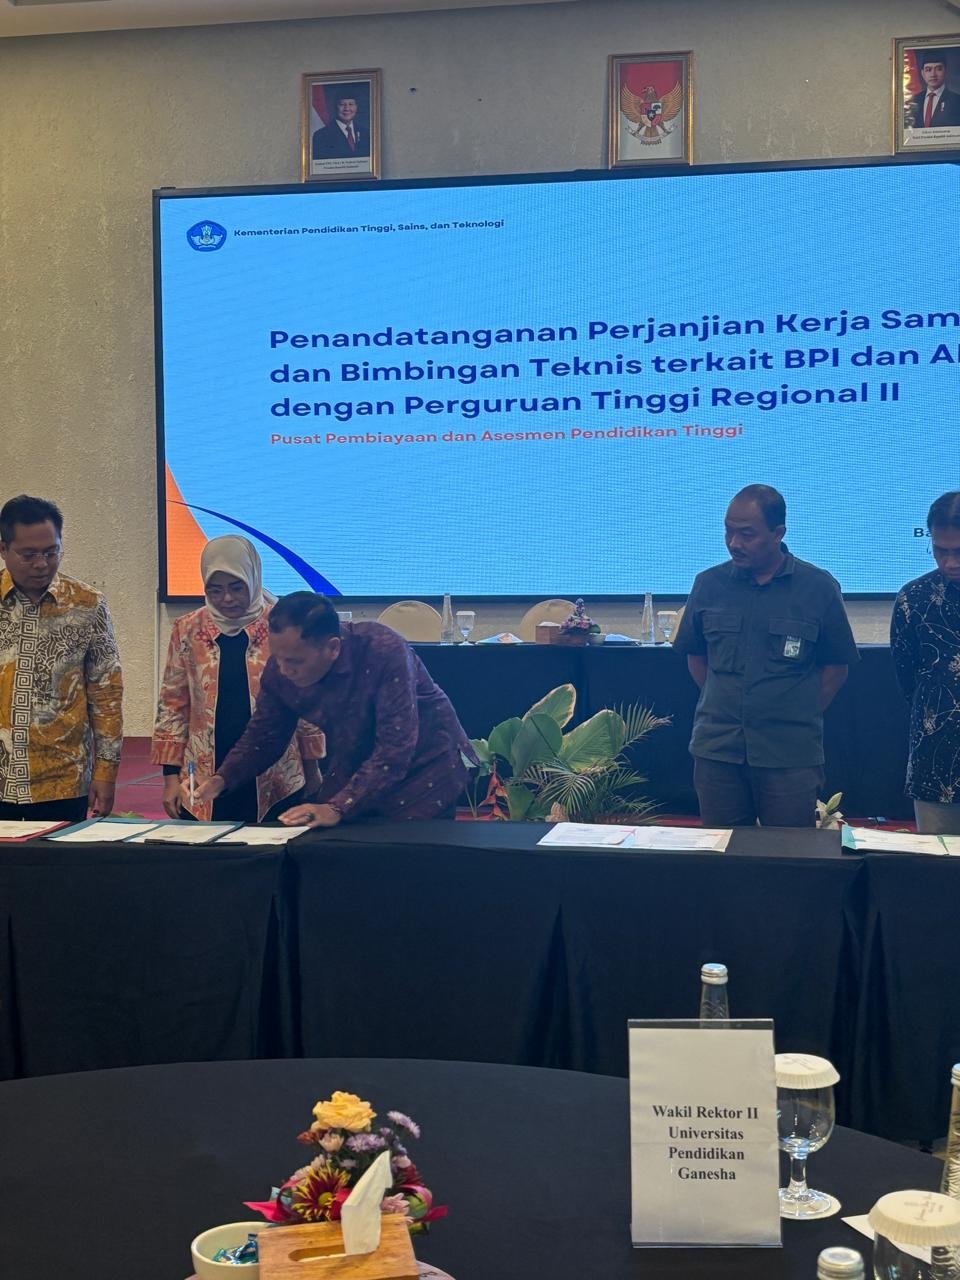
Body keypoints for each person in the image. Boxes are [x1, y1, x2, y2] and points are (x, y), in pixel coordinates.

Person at [187, 592, 473, 827]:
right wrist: (222, 778)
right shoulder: (282, 667)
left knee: (410, 863)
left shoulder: (383, 649)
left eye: (295, 662)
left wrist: (338, 807)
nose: (283, 670)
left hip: (425, 767)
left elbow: (395, 749)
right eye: (278, 658)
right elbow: (264, 736)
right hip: (358, 762)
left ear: (333, 648)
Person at [672, 484, 858, 827]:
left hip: (789, 755)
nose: (734, 543)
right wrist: (730, 701)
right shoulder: (708, 585)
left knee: (788, 853)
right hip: (718, 751)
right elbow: (697, 659)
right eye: (728, 531)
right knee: (722, 851)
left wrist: (793, 710)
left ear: (778, 533)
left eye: (747, 534)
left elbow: (836, 668)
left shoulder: (817, 587)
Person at [152, 536, 325, 823]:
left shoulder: (280, 626)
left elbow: (305, 699)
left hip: (276, 774)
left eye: (236, 587)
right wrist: (170, 778)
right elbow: (172, 704)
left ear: (253, 579)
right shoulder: (187, 629)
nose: (227, 599)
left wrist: (312, 766)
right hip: (203, 773)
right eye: (215, 590)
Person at [0, 494, 122, 822]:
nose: (42, 564)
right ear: (3, 549)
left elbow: (107, 695)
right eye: (28, 555)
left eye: (51, 552)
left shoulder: (88, 605)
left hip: (63, 781)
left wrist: (106, 771)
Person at [890, 492, 960, 835]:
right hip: (935, 760)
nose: (950, 562)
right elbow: (907, 679)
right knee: (936, 864)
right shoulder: (913, 599)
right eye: (940, 550)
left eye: (958, 551)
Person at [906, 49, 960, 129]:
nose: (933, 74)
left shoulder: (957, 101)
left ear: (946, 71)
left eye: (938, 69)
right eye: (928, 69)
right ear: (922, 73)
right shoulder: (914, 101)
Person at [311, 89, 370, 159]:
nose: (347, 108)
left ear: (356, 107)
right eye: (342, 104)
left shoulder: (366, 133)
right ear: (335, 107)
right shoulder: (321, 136)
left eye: (351, 104)